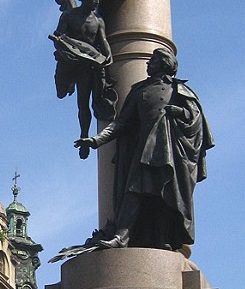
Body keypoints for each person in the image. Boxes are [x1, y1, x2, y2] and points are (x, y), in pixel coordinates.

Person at [76, 47, 212, 250]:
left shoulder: (180, 90)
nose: (148, 64)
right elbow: (121, 123)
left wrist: (180, 112)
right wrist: (96, 140)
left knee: (165, 194)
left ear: (164, 64)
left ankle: (162, 238)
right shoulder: (140, 90)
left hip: (170, 151)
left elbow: (196, 120)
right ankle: (121, 236)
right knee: (133, 191)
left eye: (152, 61)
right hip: (144, 150)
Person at [50, 0, 117, 150]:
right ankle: (68, 84)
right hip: (70, 62)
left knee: (83, 101)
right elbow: (58, 37)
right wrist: (65, 50)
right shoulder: (69, 16)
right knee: (60, 93)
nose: (96, 2)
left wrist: (108, 55)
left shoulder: (98, 20)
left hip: (88, 65)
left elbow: (103, 41)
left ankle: (84, 137)